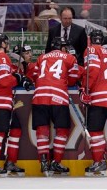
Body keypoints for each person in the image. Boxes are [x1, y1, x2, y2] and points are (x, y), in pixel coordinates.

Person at [0, 33, 33, 178]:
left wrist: (20, 78)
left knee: (15, 129)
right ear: (2, 44)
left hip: (0, 101)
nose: (7, 43)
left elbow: (6, 75)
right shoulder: (1, 56)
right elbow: (4, 80)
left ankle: (10, 162)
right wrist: (16, 78)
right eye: (6, 42)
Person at [32, 37, 80, 177]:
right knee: (62, 130)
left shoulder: (41, 57)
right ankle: (56, 162)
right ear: (63, 47)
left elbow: (34, 75)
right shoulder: (69, 58)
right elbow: (73, 78)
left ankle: (43, 160)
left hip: (40, 95)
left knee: (42, 129)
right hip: (58, 96)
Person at [79, 29, 107, 177]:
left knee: (94, 131)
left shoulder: (91, 49)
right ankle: (101, 161)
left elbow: (93, 70)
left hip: (98, 95)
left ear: (90, 39)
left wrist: (85, 89)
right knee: (98, 131)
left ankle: (99, 163)